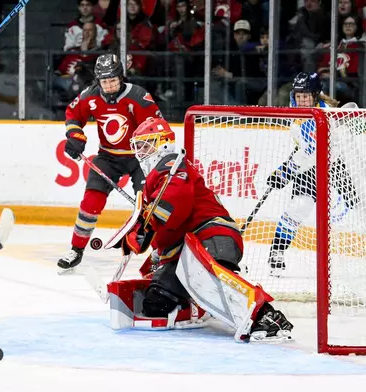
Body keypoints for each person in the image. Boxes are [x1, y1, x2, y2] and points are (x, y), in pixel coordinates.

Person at [119, 117, 294, 342]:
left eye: (146, 144)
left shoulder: (172, 164)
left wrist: (148, 226)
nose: (141, 151)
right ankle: (194, 305)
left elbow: (176, 203)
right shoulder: (157, 177)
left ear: (163, 143)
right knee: (156, 302)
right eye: (138, 146)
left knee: (209, 279)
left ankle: (267, 316)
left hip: (213, 234)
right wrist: (151, 245)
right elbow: (168, 229)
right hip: (190, 246)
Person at [58, 53, 163, 270]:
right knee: (90, 202)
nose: (109, 85)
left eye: (113, 80)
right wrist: (75, 137)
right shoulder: (91, 95)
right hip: (108, 156)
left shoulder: (138, 96)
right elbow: (72, 114)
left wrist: (149, 151)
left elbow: (157, 125)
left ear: (121, 77)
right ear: (98, 80)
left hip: (139, 158)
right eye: (104, 81)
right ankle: (76, 250)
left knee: (150, 206)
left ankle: (159, 253)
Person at [265, 72, 359, 275]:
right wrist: (285, 172)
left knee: (357, 209)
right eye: (299, 96)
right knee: (299, 207)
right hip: (309, 169)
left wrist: (284, 172)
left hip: (334, 165)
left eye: (306, 96)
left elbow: (352, 113)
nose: (302, 100)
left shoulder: (327, 111)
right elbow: (307, 156)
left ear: (315, 95)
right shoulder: (297, 119)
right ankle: (277, 252)